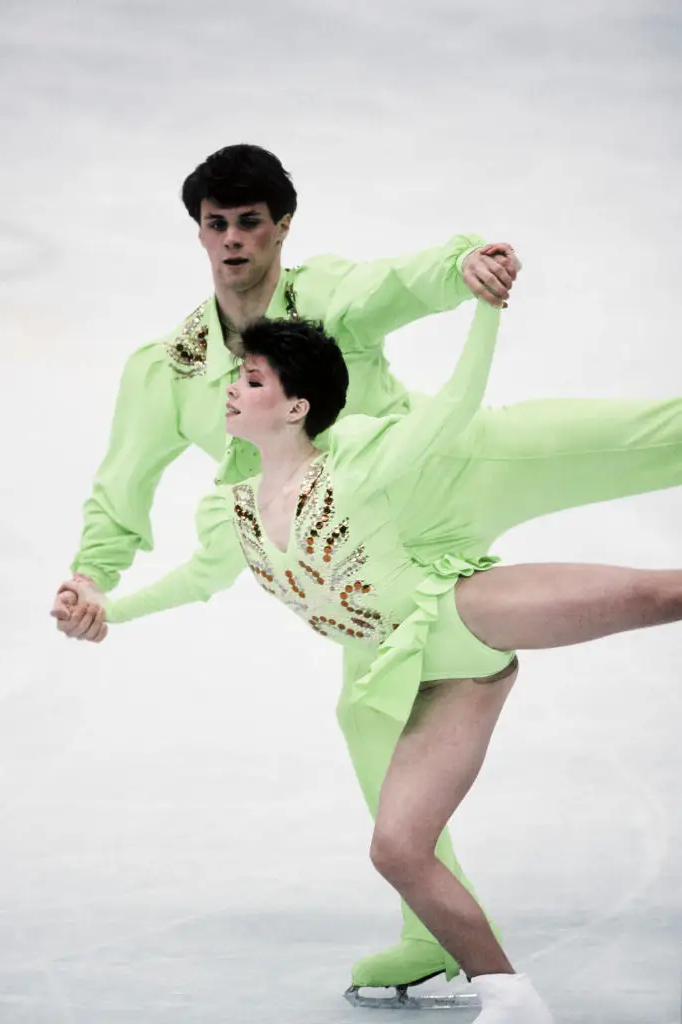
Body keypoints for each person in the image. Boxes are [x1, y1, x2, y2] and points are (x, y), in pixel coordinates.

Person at [52, 142, 682, 997]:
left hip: (441, 468)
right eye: (217, 224)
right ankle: (430, 932)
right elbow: (122, 484)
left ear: (280, 228)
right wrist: (95, 578)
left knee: (646, 435)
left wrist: (465, 266)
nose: (233, 240)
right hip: (357, 562)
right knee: (372, 727)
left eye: (249, 223)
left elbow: (403, 281)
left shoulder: (326, 295)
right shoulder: (171, 370)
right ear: (199, 232)